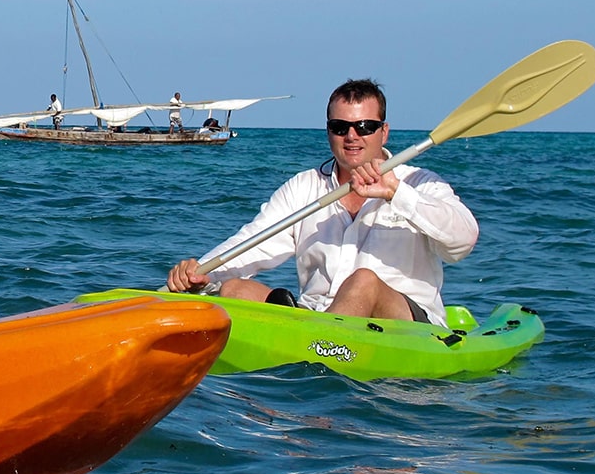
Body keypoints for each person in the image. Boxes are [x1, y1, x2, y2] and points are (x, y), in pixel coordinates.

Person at [167, 78, 477, 327]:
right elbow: (251, 242)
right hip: (317, 319)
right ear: (328, 131)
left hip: (407, 326)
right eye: (340, 127)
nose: (351, 136)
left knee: (364, 282)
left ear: (383, 133)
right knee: (236, 289)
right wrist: (201, 274)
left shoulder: (419, 182)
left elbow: (462, 242)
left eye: (364, 127)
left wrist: (396, 193)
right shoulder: (304, 187)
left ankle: (318, 351)